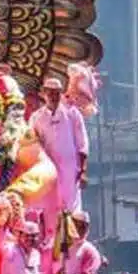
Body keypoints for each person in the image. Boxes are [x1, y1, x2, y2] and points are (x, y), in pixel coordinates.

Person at [29, 76, 89, 240]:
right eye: (50, 93)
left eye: (57, 93)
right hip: (48, 171)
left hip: (71, 171)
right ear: (44, 93)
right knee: (48, 209)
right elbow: (32, 143)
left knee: (70, 208)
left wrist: (83, 171)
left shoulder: (72, 113)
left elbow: (82, 143)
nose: (54, 97)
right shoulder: (36, 118)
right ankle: (49, 242)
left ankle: (71, 243)